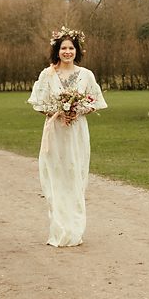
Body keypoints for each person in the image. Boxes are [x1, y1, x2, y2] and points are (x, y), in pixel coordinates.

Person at [27, 26, 108, 247]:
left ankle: (75, 229)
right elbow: (38, 103)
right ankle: (59, 229)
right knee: (56, 177)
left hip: (76, 132)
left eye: (71, 48)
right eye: (63, 48)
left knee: (75, 176)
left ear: (77, 50)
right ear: (57, 50)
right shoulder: (47, 74)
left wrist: (76, 111)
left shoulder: (86, 75)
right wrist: (58, 112)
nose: (67, 52)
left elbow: (96, 102)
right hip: (55, 131)